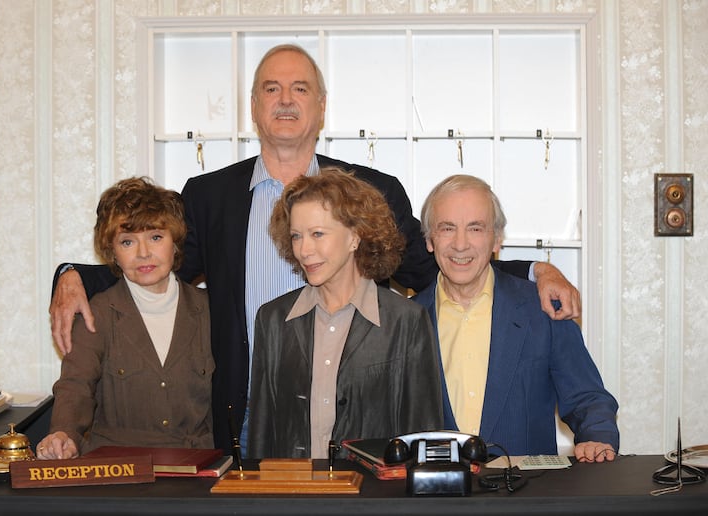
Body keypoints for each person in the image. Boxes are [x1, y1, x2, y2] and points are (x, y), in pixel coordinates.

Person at [48, 44, 580, 453]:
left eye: (299, 89)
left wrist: (532, 270)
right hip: (239, 420)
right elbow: (155, 267)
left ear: (321, 106)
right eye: (272, 88)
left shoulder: (372, 192)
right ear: (253, 106)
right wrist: (75, 274)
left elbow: (440, 262)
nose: (285, 100)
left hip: (354, 423)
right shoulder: (207, 196)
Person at [414, 174, 619, 463]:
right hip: (435, 499)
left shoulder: (543, 309)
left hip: (527, 496)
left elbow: (588, 398)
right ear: (429, 240)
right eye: (447, 228)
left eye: (475, 228)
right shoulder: (404, 321)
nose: (460, 244)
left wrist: (596, 439)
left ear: (497, 239)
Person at [248, 168, 443, 458]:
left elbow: (423, 436)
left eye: (317, 234)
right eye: (296, 236)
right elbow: (261, 434)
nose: (304, 249)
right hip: (290, 497)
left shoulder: (406, 321)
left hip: (373, 498)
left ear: (355, 237)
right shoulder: (273, 319)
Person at [36, 177, 214, 460]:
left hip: (197, 468)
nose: (143, 253)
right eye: (128, 241)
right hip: (117, 468)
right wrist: (63, 433)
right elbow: (76, 385)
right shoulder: (98, 313)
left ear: (176, 243)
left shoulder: (209, 311)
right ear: (113, 253)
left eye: (156, 237)